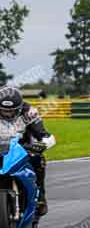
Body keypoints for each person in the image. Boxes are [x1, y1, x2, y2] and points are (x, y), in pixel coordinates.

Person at [0, 87, 56, 216]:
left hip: (23, 147)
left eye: (11, 111)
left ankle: (40, 197)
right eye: (3, 111)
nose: (8, 114)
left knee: (38, 159)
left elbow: (44, 134)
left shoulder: (29, 113)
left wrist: (42, 144)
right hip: (0, 147)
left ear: (19, 108)